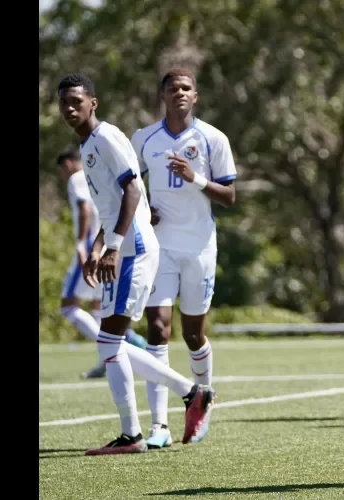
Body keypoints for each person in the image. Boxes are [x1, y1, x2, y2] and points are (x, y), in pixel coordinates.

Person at [57, 72, 216, 455]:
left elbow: (133, 188)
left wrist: (111, 246)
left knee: (110, 341)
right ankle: (188, 394)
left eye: (77, 101)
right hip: (121, 247)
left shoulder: (107, 136)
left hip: (134, 248)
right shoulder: (88, 147)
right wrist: (98, 246)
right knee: (109, 341)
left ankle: (136, 433)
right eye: (64, 102)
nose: (69, 108)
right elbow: (109, 207)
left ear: (93, 103)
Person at [131, 67, 236, 449]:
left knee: (193, 334)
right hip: (158, 248)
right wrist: (144, 210)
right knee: (157, 329)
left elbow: (229, 197)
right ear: (162, 95)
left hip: (199, 248)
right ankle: (159, 424)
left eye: (186, 87)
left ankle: (203, 399)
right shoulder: (143, 138)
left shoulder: (212, 138)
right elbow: (128, 183)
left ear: (196, 96)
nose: (179, 92)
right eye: (172, 87)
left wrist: (194, 178)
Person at [57, 146, 149, 380]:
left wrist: (81, 244)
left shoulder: (77, 178)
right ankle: (110, 357)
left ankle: (119, 344)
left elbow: (84, 208)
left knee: (69, 306)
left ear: (67, 164)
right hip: (106, 240)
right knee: (99, 307)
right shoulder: (93, 174)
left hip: (91, 246)